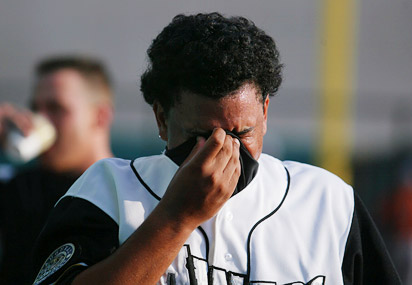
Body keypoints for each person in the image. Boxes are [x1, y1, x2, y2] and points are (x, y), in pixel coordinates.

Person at [31, 13, 400, 285]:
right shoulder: (106, 190)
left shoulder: (328, 201)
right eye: (200, 134)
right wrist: (177, 217)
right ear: (161, 118)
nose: (223, 150)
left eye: (241, 132)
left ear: (266, 113)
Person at [0, 56, 114, 284]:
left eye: (56, 108)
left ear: (100, 116)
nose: (40, 120)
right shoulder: (18, 187)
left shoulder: (130, 194)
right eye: (35, 108)